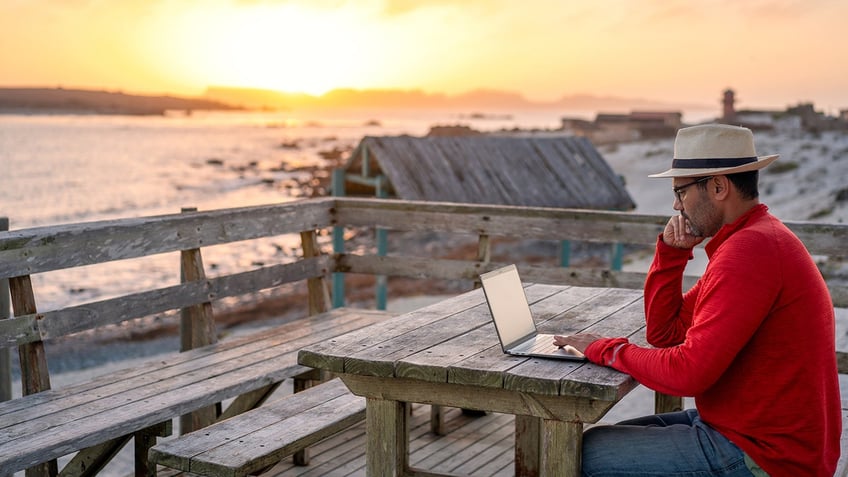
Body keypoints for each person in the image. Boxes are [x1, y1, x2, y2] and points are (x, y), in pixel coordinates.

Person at [554, 124, 841, 476]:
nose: (676, 204)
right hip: (748, 432)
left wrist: (605, 349)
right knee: (592, 441)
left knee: (577, 456)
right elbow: (666, 333)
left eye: (681, 191)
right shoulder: (754, 239)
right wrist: (671, 255)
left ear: (718, 187)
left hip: (766, 456)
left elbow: (689, 374)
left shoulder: (750, 251)